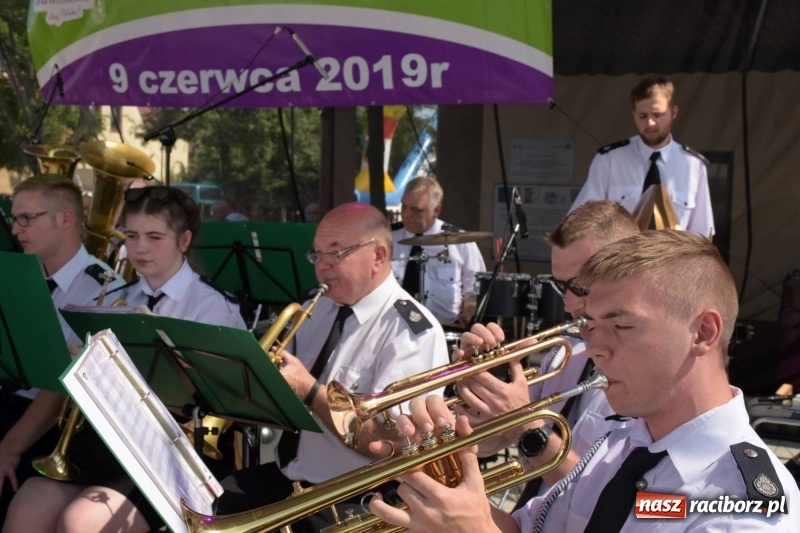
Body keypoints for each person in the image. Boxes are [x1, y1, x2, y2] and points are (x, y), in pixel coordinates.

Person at [369, 229, 800, 532]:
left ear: (703, 332)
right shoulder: (620, 443)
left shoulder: (747, 503)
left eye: (622, 326)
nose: (595, 350)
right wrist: (442, 486)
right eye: (591, 326)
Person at [4, 186, 246, 532]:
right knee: (26, 506)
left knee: (81, 522)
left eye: (154, 237)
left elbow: (222, 398)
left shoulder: (212, 306)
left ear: (184, 240)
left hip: (175, 455)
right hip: (112, 445)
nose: (140, 247)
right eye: (132, 236)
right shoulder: (116, 299)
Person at [216, 202, 449, 532]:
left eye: (336, 252)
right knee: (202, 503)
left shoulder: (410, 331)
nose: (322, 264)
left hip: (356, 497)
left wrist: (310, 391)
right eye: (317, 253)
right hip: (290, 479)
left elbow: (391, 443)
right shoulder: (319, 306)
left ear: (378, 256)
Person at [454, 200, 639, 499]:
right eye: (560, 286)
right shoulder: (563, 356)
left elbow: (605, 503)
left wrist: (524, 424)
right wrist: (481, 388)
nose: (568, 305)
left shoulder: (649, 375)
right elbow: (487, 445)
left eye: (581, 286)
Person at [0, 174, 124, 521]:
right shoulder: (21, 273)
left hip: (42, 424)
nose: (16, 230)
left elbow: (60, 387)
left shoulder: (104, 289)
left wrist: (9, 447)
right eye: (14, 219)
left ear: (65, 219)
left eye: (27, 218)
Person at [569, 76, 714, 238]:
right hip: (620, 253)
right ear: (633, 114)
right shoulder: (609, 160)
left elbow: (702, 232)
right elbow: (582, 224)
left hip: (674, 254)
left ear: (674, 112)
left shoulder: (693, 165)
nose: (650, 123)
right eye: (643, 116)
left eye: (657, 115)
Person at [391, 177, 486, 327]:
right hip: (394, 326)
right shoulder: (388, 239)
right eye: (404, 206)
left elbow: (475, 290)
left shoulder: (461, 242)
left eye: (416, 210)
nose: (406, 214)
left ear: (436, 210)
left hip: (445, 327)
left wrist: (469, 309)